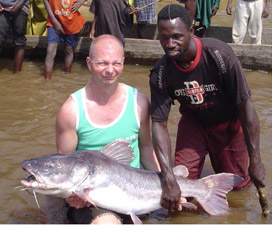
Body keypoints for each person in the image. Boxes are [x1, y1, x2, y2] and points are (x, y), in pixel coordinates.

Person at [149, 4, 266, 213]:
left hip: (228, 124)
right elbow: (159, 124)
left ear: (191, 32)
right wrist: (168, 178)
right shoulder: (160, 73)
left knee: (237, 188)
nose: (170, 44)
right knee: (181, 186)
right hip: (194, 122)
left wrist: (255, 159)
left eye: (176, 36)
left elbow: (246, 107)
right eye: (164, 38)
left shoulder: (219, 56)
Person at [56, 34, 160, 224]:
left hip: (135, 192)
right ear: (89, 63)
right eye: (102, 63)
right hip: (92, 200)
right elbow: (64, 167)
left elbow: (146, 149)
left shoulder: (140, 102)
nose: (110, 70)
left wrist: (167, 183)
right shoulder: (71, 111)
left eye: (116, 63)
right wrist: (70, 196)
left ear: (123, 62)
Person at [43, 0, 86, 80]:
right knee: (50, 50)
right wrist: (54, 21)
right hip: (54, 20)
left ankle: (67, 75)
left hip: (71, 21)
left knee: (68, 49)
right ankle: (47, 80)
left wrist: (80, 2)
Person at [0, 0, 29, 73]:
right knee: (0, 36)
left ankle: (17, 73)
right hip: (2, 6)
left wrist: (19, 5)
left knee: (20, 39)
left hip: (21, 5)